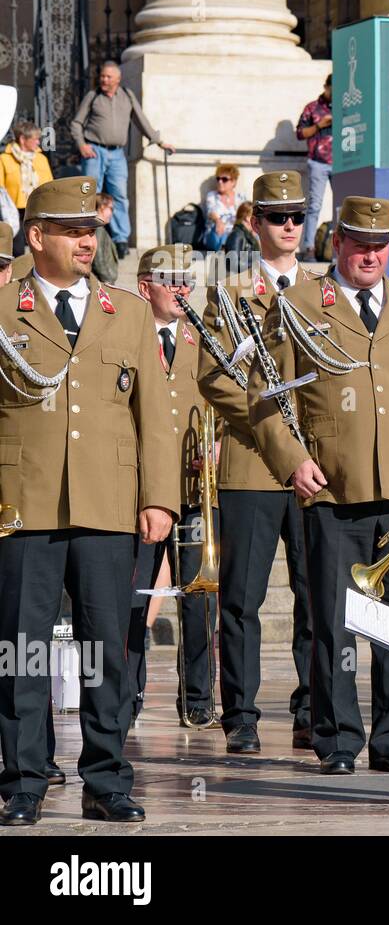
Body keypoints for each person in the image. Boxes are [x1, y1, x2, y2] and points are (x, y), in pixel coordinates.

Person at [0, 177, 179, 826]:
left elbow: (155, 416)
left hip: (108, 507)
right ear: (36, 236)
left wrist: (160, 496)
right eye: (71, 230)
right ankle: (22, 781)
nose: (86, 240)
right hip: (24, 507)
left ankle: (106, 779)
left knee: (108, 649)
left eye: (91, 229)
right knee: (21, 652)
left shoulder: (126, 312)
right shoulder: (3, 309)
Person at [249, 196, 389, 778]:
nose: (370, 255)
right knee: (335, 618)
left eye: (381, 245)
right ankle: (338, 737)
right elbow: (265, 394)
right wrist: (292, 460)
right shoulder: (299, 303)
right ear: (339, 242)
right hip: (331, 488)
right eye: (359, 243)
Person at [197, 170, 315, 755]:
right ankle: (240, 713)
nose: (289, 227)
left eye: (297, 216)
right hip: (252, 461)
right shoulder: (228, 292)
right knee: (242, 599)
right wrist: (275, 437)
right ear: (254, 222)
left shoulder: (325, 291)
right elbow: (215, 378)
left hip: (316, 468)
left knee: (316, 597)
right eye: (277, 217)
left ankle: (312, 707)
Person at [128, 244, 220, 727]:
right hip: (141, 493)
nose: (183, 288)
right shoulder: (126, 333)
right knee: (134, 597)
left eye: (187, 279)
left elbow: (223, 396)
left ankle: (198, 695)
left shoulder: (199, 337)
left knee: (200, 595)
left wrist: (219, 439)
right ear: (146, 287)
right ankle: (129, 694)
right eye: (171, 280)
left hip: (190, 487)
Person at [70, 61, 176, 258]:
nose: (104, 79)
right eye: (102, 76)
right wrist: (82, 145)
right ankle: (87, 233)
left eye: (108, 77)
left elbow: (140, 119)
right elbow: (76, 123)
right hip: (95, 150)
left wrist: (159, 142)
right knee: (90, 195)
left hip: (117, 154)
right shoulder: (93, 96)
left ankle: (120, 240)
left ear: (118, 79)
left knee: (119, 196)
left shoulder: (127, 96)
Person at [296, 74, 333, 262]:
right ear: (326, 87)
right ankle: (308, 247)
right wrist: (320, 125)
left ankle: (338, 249)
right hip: (318, 161)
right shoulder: (312, 107)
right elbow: (300, 133)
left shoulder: (347, 107)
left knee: (342, 208)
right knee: (314, 206)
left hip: (343, 163)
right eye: (331, 88)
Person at [1, 121, 53, 211]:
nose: (38, 142)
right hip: (13, 211)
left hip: (39, 208)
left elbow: (50, 186)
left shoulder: (42, 159)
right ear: (22, 139)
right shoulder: (4, 159)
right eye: (35, 139)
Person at [201, 164, 246, 252]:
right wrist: (218, 221)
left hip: (235, 234)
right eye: (218, 179)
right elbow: (211, 212)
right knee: (220, 236)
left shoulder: (240, 197)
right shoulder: (212, 196)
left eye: (224, 179)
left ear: (233, 182)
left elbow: (245, 215)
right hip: (216, 233)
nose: (220, 182)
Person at [223, 201, 259, 275]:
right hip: (236, 281)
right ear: (247, 218)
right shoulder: (236, 235)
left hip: (246, 277)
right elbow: (232, 264)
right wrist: (254, 267)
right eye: (256, 217)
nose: (258, 220)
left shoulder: (249, 235)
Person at [90, 194, 118, 286]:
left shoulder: (99, 228)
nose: (112, 212)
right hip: (102, 283)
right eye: (111, 208)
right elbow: (99, 260)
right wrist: (108, 280)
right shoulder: (98, 229)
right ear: (102, 207)